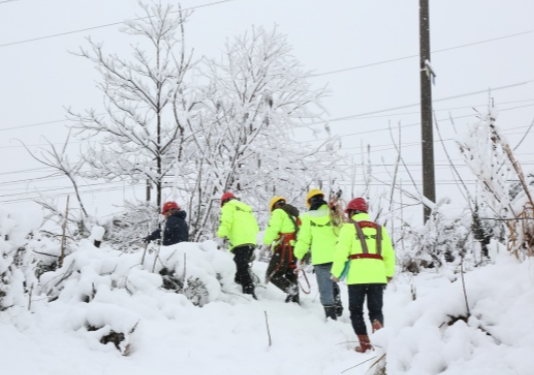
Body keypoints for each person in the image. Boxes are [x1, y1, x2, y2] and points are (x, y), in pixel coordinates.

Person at [331, 197, 395, 353]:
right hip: (378, 276)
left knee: (356, 310)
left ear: (353, 212)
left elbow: (341, 253)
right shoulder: (379, 229)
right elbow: (389, 254)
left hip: (357, 277)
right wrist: (388, 274)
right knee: (376, 310)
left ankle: (364, 344)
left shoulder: (348, 229)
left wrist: (336, 274)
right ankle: (379, 336)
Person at [294, 188, 343, 319]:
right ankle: (338, 305)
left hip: (321, 259)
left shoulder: (308, 217)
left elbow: (304, 239)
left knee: (325, 288)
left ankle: (331, 317)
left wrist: (298, 254)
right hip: (337, 256)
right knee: (332, 280)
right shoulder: (333, 212)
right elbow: (342, 232)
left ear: (310, 202)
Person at [217, 192, 259, 299]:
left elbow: (226, 221)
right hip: (251, 241)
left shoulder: (228, 206)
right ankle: (238, 283)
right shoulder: (247, 209)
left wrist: (221, 235)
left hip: (239, 241)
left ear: (224, 202)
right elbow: (255, 227)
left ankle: (249, 291)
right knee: (239, 264)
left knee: (241, 265)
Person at [263, 196, 301, 303]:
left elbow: (273, 228)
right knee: (290, 273)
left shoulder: (278, 212)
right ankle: (294, 300)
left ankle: (293, 291)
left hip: (285, 248)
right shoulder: (294, 216)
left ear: (275, 206)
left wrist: (266, 242)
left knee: (272, 274)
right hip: (295, 248)